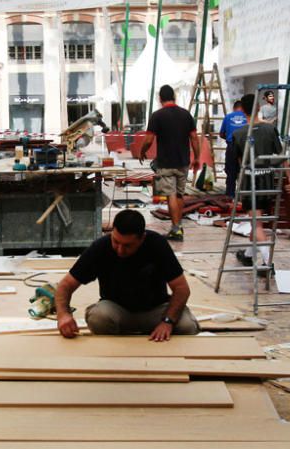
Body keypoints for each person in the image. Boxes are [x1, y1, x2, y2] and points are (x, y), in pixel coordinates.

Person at [55, 209, 199, 341]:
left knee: (187, 326)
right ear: (112, 231)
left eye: (128, 245)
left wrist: (167, 322)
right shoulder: (100, 248)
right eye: (116, 242)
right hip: (118, 311)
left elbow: (181, 289)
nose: (120, 250)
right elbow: (65, 285)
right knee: (98, 318)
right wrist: (63, 315)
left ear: (142, 238)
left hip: (155, 310)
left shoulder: (157, 245)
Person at [137, 85, 201, 241]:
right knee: (179, 195)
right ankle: (178, 227)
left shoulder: (157, 116)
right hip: (183, 162)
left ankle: (176, 228)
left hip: (166, 163)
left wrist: (142, 151)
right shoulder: (186, 115)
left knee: (171, 195)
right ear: (174, 97)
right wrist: (197, 157)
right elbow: (194, 138)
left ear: (160, 99)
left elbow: (149, 139)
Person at [232, 99, 289, 267]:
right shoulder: (270, 129)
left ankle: (267, 262)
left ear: (242, 110)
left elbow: (239, 163)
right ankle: (249, 255)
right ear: (258, 108)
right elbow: (281, 158)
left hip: (250, 183)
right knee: (256, 222)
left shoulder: (239, 134)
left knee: (257, 225)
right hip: (267, 181)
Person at [219, 99, 249, 198]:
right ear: (243, 108)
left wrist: (228, 137)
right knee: (246, 170)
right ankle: (245, 195)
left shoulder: (228, 117)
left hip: (232, 146)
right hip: (245, 146)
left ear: (234, 108)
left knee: (231, 172)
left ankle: (230, 195)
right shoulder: (247, 117)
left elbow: (221, 134)